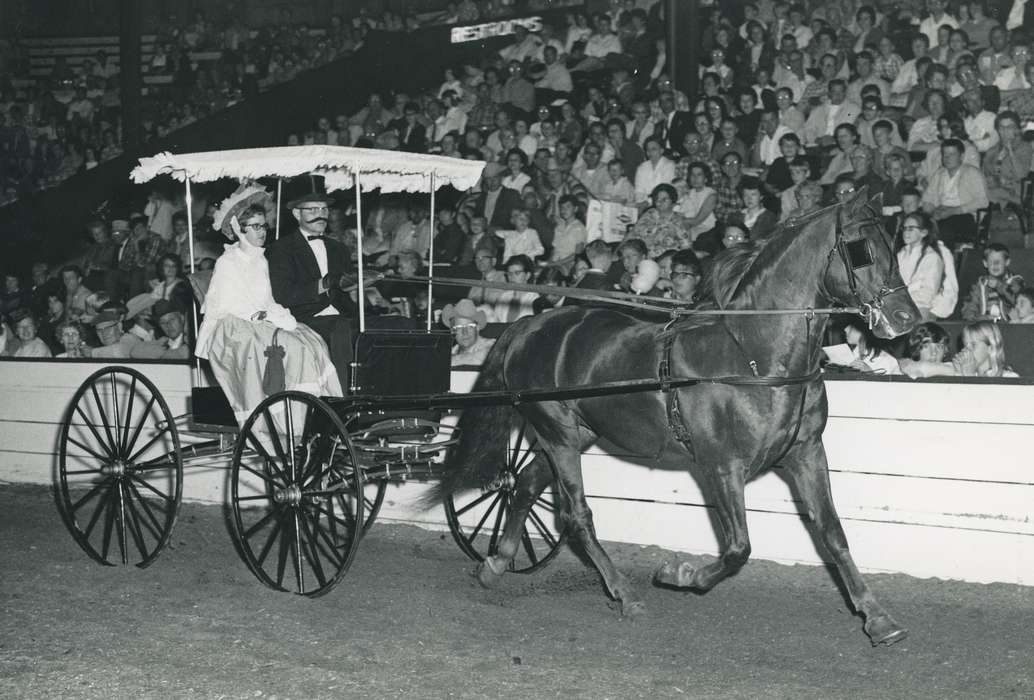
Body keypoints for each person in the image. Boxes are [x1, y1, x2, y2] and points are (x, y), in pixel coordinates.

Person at [199, 185, 342, 421]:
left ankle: (314, 413)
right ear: (239, 229)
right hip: (233, 328)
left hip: (259, 320)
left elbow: (268, 298)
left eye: (263, 225)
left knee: (312, 341)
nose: (262, 231)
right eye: (255, 226)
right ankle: (290, 418)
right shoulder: (229, 261)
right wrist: (259, 316)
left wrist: (279, 314)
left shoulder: (260, 259)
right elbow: (223, 304)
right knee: (293, 347)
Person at [267, 176, 356, 389]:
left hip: (343, 314)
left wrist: (359, 287)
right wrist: (323, 284)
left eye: (324, 210)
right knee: (340, 329)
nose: (321, 216)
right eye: (312, 210)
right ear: (297, 214)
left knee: (390, 326)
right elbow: (283, 295)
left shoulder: (339, 249)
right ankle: (342, 400)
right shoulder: (282, 249)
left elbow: (346, 292)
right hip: (305, 318)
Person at [920, 138, 989, 249]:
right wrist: (931, 214)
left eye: (952, 154)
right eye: (944, 154)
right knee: (916, 223)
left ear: (961, 156)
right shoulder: (939, 174)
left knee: (944, 227)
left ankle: (947, 261)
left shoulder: (972, 173)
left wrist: (953, 211)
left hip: (966, 215)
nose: (947, 158)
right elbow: (928, 198)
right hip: (941, 212)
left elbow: (983, 201)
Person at [900, 320, 1018, 378]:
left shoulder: (1009, 377)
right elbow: (916, 367)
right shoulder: (957, 368)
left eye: (973, 345)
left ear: (991, 347)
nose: (967, 350)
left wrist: (969, 376)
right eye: (965, 345)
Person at [896, 212, 945, 321]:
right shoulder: (901, 254)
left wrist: (902, 304)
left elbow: (927, 294)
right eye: (904, 228)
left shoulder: (932, 257)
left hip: (920, 307)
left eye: (911, 228)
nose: (905, 232)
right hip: (900, 305)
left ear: (924, 232)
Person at [960, 242, 1024, 321]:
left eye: (999, 261)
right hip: (986, 325)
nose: (995, 264)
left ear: (1007, 262)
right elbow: (969, 308)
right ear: (985, 263)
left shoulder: (1016, 281)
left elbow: (1016, 300)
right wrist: (981, 318)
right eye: (991, 261)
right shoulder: (979, 285)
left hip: (1010, 325)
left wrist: (999, 286)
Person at [442, 299, 494, 366]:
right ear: (452, 331)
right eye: (459, 327)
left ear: (477, 328)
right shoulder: (450, 351)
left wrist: (445, 361)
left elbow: (486, 357)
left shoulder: (491, 346)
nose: (465, 332)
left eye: (470, 326)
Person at [491, 254, 537, 322]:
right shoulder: (503, 296)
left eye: (517, 273)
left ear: (528, 275)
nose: (512, 277)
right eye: (509, 273)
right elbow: (495, 321)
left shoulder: (535, 299)